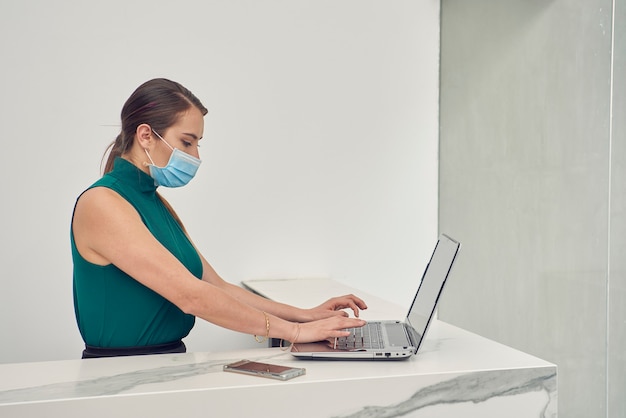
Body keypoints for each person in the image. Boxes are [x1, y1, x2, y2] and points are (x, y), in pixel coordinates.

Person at [71, 78, 367, 358]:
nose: (196, 155)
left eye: (198, 143)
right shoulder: (103, 203)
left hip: (164, 364)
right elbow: (192, 296)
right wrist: (296, 331)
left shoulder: (153, 202)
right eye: (187, 142)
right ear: (146, 135)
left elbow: (217, 287)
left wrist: (305, 314)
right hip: (123, 378)